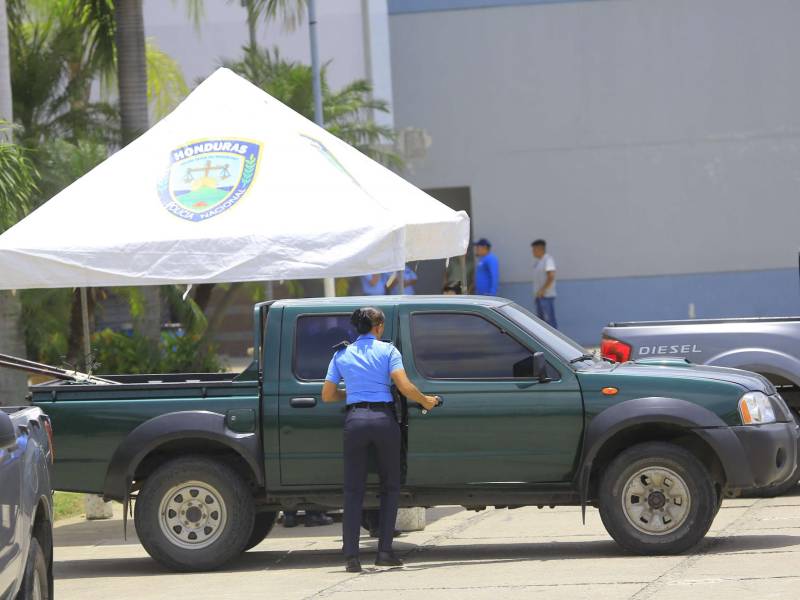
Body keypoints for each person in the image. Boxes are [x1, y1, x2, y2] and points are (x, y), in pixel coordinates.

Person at [322, 307, 439, 572]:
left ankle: (351, 557)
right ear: (378, 327)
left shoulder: (341, 353)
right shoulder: (388, 351)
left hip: (355, 420)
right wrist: (426, 401)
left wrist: (352, 393)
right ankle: (384, 552)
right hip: (384, 421)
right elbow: (404, 386)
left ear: (356, 328)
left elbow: (327, 395)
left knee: (353, 490)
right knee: (390, 487)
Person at [531, 239, 558, 328]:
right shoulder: (539, 261)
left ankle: (553, 341)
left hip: (546, 296)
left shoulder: (548, 260)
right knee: (541, 323)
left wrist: (543, 290)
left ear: (540, 249)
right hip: (539, 296)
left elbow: (551, 276)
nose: (533, 252)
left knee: (549, 322)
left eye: (534, 250)